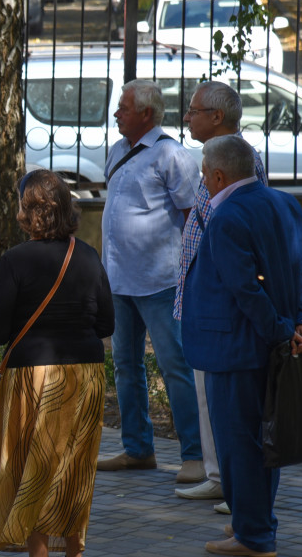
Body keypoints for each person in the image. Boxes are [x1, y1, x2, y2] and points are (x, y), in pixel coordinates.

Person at [0, 170, 114, 557]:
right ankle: (74, 551)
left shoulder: (15, 260)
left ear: (27, 210)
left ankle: (38, 552)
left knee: (33, 470)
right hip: (87, 374)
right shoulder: (87, 254)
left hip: (33, 376)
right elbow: (107, 323)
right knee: (74, 467)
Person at [183, 135, 302, 557]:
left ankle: (255, 537)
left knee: (240, 445)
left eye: (204, 174)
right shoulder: (285, 203)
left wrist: (281, 329)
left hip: (236, 348)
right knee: (261, 443)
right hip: (269, 343)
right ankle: (250, 524)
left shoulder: (227, 216)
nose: (202, 181)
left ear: (219, 175)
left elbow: (244, 289)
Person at [97, 79, 204, 484]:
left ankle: (193, 454)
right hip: (119, 279)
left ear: (146, 113)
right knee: (125, 365)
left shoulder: (171, 155)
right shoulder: (118, 150)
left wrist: (191, 272)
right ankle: (138, 449)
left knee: (175, 365)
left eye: (123, 107)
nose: (116, 113)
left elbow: (193, 215)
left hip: (161, 280)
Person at [173, 81, 269, 511]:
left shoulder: (240, 160)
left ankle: (239, 487)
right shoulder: (212, 159)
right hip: (203, 303)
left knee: (232, 408)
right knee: (207, 396)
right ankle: (219, 477)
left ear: (217, 117)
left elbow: (248, 235)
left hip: (225, 310)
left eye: (193, 111)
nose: (187, 117)